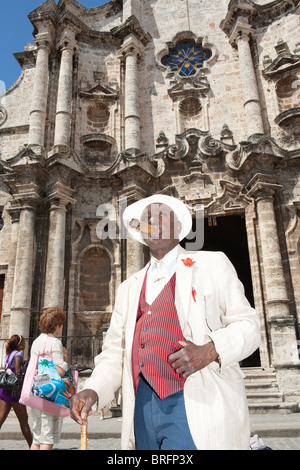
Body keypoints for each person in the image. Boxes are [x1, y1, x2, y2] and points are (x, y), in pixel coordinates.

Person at [70, 194, 260, 450]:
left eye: (161, 215)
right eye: (147, 218)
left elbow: (249, 325)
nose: (152, 221)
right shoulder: (128, 288)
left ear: (179, 226)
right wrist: (93, 389)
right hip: (142, 408)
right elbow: (115, 352)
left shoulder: (212, 264)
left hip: (197, 403)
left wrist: (211, 350)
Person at [30, 307, 68, 451]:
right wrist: (65, 360)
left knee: (37, 437)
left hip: (36, 391)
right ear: (57, 326)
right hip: (49, 394)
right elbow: (58, 371)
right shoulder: (54, 342)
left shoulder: (36, 342)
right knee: (47, 437)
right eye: (61, 324)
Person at [0, 334, 32, 447]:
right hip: (15, 392)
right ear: (19, 344)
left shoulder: (8, 354)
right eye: (23, 342)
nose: (24, 344)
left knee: (1, 419)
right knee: (24, 421)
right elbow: (18, 372)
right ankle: (32, 446)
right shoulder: (18, 354)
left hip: (5, 390)